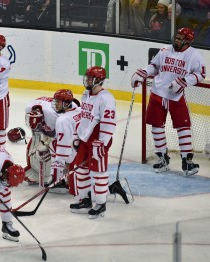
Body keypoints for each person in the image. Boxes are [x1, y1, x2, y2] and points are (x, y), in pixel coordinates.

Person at [131, 27, 207, 176]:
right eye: (176, 37)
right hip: (157, 93)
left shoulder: (194, 55)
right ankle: (162, 159)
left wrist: (184, 81)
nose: (176, 40)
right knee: (156, 127)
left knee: (183, 127)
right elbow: (154, 66)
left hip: (176, 96)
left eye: (180, 38)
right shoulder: (165, 50)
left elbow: (201, 74)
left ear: (187, 41)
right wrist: (144, 73)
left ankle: (187, 162)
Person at [69, 66, 116, 219]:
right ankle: (85, 200)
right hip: (84, 138)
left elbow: (109, 123)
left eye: (90, 78)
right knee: (80, 168)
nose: (87, 80)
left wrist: (102, 143)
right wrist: (77, 135)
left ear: (98, 80)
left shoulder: (106, 98)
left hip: (98, 139)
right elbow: (84, 117)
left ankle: (101, 204)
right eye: (87, 77)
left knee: (98, 172)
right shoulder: (86, 94)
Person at [49, 90, 81, 194]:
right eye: (56, 101)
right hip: (86, 150)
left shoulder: (63, 120)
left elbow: (63, 149)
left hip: (77, 157)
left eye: (59, 102)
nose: (56, 104)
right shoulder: (79, 110)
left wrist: (61, 167)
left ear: (67, 103)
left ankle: (59, 181)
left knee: (75, 190)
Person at [23, 96, 60, 185]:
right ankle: (34, 168)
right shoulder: (28, 109)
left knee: (55, 146)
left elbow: (58, 136)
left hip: (56, 117)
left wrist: (48, 144)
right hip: (46, 109)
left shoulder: (52, 117)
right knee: (35, 140)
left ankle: (54, 174)